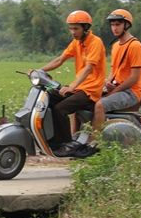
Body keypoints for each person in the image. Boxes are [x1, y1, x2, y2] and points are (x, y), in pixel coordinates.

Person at [31, 10, 106, 157]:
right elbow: (60, 60)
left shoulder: (95, 42)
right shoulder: (76, 42)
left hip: (90, 90)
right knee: (49, 99)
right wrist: (38, 71)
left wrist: (72, 86)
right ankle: (53, 140)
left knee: (60, 109)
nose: (72, 32)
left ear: (85, 28)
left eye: (76, 28)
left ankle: (67, 144)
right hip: (79, 88)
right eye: (70, 28)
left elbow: (88, 68)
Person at [92, 9, 141, 131]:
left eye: (118, 24)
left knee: (100, 105)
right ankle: (77, 139)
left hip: (131, 92)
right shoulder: (116, 46)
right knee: (85, 99)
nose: (114, 28)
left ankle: (95, 141)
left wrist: (115, 91)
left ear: (126, 25)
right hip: (118, 88)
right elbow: (114, 70)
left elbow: (134, 77)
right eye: (112, 25)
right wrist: (107, 83)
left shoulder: (135, 46)